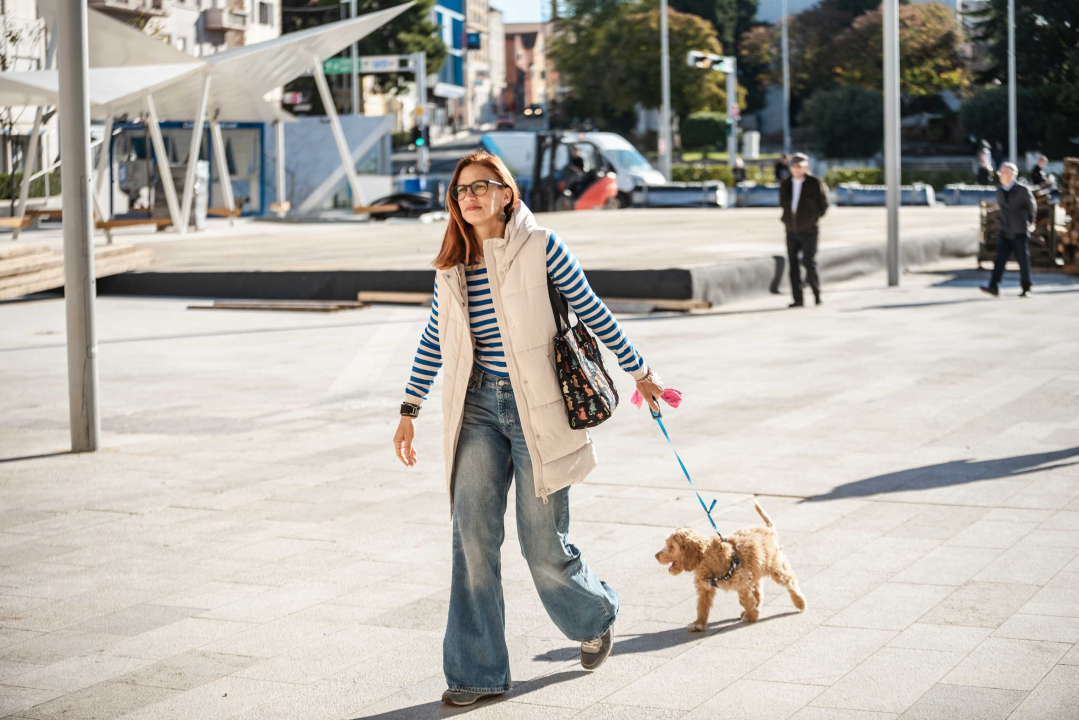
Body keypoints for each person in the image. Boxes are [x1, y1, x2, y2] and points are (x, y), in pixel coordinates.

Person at [393, 151, 665, 707]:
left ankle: (593, 614)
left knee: (541, 543)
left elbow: (592, 310)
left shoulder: (542, 246)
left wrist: (640, 370)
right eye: (461, 190)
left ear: (506, 193)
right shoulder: (452, 263)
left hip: (537, 408)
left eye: (481, 186)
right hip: (475, 408)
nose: (469, 197)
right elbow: (434, 338)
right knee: (472, 541)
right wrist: (409, 408)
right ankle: (476, 672)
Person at [779, 153, 829, 307]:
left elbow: (824, 205)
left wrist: (812, 219)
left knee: (809, 263)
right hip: (791, 230)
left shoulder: (814, 182)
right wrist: (787, 219)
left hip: (809, 231)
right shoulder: (786, 183)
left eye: (800, 166)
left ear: (806, 167)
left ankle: (817, 294)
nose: (797, 169)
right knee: (793, 266)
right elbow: (783, 203)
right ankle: (798, 299)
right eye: (794, 166)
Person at [982, 162, 1037, 298]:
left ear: (1012, 174)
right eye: (1000, 172)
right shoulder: (1000, 191)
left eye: (1003, 172)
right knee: (999, 260)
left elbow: (1032, 207)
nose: (1000, 175)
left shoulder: (1022, 190)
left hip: (1019, 230)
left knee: (1023, 260)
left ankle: (1026, 288)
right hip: (1005, 230)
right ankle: (993, 286)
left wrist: (1030, 222)